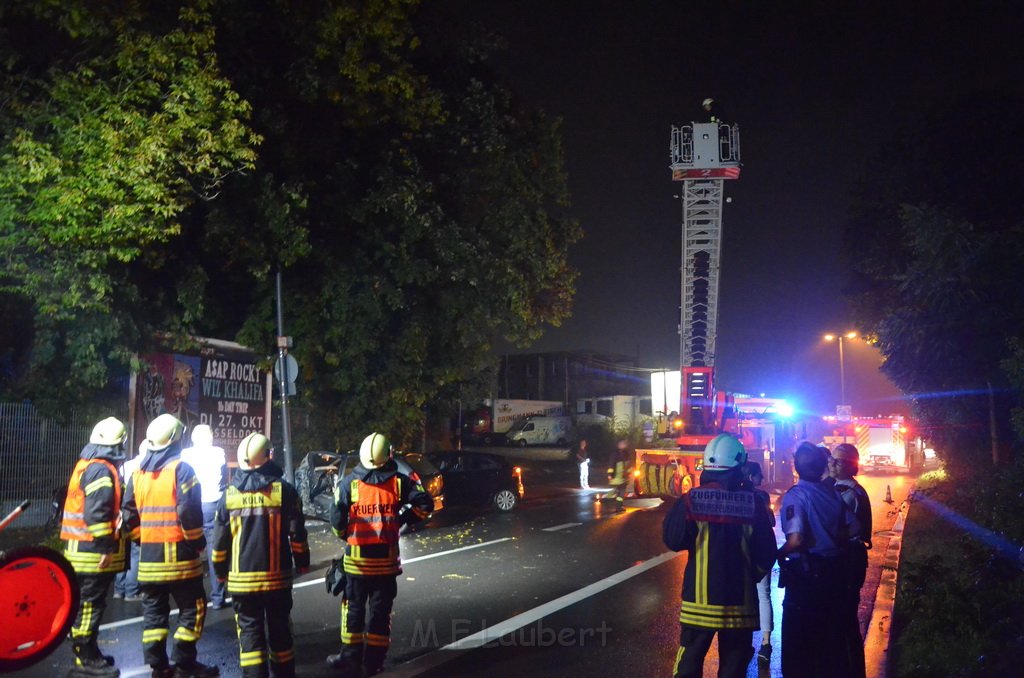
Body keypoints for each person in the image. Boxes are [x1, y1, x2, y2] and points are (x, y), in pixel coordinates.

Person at [662, 434, 777, 678]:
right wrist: (749, 576)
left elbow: (673, 540)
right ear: (740, 465)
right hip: (740, 607)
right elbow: (766, 554)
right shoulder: (753, 503)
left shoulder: (691, 499)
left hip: (698, 605)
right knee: (733, 669)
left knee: (688, 665)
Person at [326, 432, 433, 677]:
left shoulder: (349, 484)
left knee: (353, 610)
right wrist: (402, 520)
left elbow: (337, 521)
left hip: (357, 565)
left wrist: (347, 535)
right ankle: (375, 663)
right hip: (385, 565)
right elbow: (426, 504)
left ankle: (350, 657)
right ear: (389, 456)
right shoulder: (398, 482)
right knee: (380, 614)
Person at [122, 413, 219, 678]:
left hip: (149, 559)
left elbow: (128, 513)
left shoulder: (138, 473)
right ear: (176, 439)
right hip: (179, 558)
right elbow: (188, 511)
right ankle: (184, 662)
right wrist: (196, 541)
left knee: (154, 615)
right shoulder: (181, 469)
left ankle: (159, 667)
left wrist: (143, 538)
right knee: (195, 607)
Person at [211, 433, 310, 678]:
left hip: (241, 583)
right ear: (268, 457)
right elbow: (297, 533)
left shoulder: (229, 495)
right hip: (276, 580)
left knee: (250, 634)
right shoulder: (285, 491)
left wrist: (221, 572)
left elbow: (219, 543)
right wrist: (302, 563)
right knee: (280, 632)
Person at [778, 442, 859, 678]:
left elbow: (795, 539)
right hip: (834, 576)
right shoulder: (833, 493)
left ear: (796, 467)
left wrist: (779, 553)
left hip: (806, 578)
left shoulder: (796, 495)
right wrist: (830, 536)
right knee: (829, 643)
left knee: (799, 645)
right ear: (822, 466)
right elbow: (856, 527)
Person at [60, 416, 129, 677]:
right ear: (119, 442)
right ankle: (85, 658)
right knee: (90, 606)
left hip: (80, 550)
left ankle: (90, 652)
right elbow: (96, 513)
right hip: (91, 552)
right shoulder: (101, 469)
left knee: (87, 604)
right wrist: (106, 546)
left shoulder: (88, 464)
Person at [830, 443, 872, 678]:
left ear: (847, 465)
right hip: (849, 561)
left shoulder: (849, 494)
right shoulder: (844, 490)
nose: (831, 464)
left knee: (845, 620)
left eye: (836, 461)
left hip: (849, 562)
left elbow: (845, 530)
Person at [181, 424, 228, 609]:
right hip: (212, 503)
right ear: (211, 437)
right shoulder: (219, 453)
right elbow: (223, 477)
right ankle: (217, 597)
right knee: (213, 548)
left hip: (191, 504)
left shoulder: (185, 455)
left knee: (189, 548)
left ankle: (190, 597)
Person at [743, 461, 776, 667]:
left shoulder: (736, 496)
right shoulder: (761, 497)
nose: (762, 479)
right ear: (751, 477)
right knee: (763, 595)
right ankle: (765, 642)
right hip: (761, 551)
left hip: (742, 552)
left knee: (743, 595)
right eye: (759, 475)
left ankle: (744, 641)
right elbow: (771, 522)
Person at [113, 442, 146, 602]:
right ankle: (132, 590)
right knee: (135, 553)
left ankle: (118, 589)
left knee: (123, 552)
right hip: (135, 514)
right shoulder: (144, 467)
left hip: (122, 514)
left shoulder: (126, 465)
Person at [608, 439, 632, 512]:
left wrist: (628, 474)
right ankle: (618, 507)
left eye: (624, 444)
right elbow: (611, 464)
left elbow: (628, 465)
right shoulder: (617, 454)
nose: (624, 445)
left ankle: (619, 506)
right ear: (619, 445)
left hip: (622, 477)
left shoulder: (624, 453)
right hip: (618, 477)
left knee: (620, 492)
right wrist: (610, 474)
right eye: (623, 444)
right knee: (621, 492)